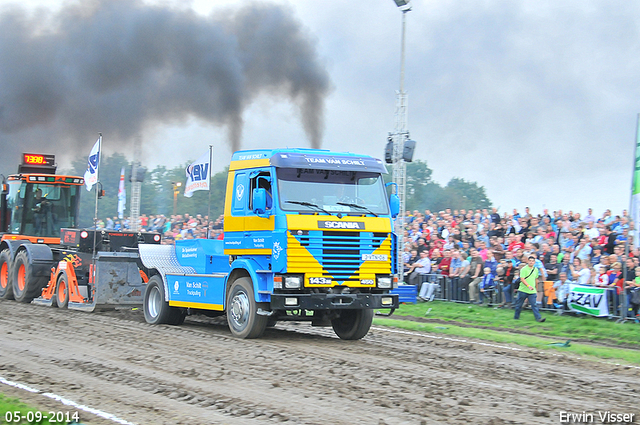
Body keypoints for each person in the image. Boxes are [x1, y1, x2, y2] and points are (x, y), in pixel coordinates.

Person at [514, 256, 546, 322]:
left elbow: (536, 279)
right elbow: (522, 279)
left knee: (534, 305)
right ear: (528, 261)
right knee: (519, 305)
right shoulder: (524, 269)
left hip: (532, 291)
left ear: (534, 262)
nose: (531, 262)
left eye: (532, 261)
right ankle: (516, 317)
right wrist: (528, 286)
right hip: (523, 290)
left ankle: (538, 318)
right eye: (530, 261)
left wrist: (536, 289)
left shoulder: (535, 269)